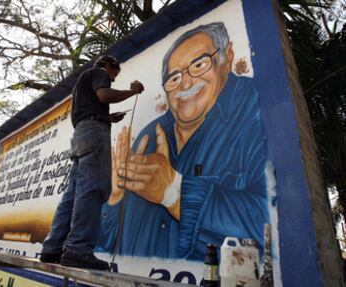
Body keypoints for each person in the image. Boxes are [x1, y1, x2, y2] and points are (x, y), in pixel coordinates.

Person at [99, 23, 269, 260]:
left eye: (199, 65)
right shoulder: (148, 136)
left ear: (227, 57)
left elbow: (272, 224)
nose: (186, 84)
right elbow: (108, 250)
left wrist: (174, 192)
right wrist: (115, 200)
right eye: (174, 78)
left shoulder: (259, 110)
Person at [40, 55, 144, 270]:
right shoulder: (98, 73)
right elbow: (104, 95)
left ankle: (52, 249)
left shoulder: (81, 85)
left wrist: (109, 118)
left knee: (72, 194)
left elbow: (95, 106)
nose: (112, 79)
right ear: (108, 66)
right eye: (114, 75)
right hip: (94, 134)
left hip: (81, 135)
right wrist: (132, 91)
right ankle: (78, 250)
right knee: (92, 189)